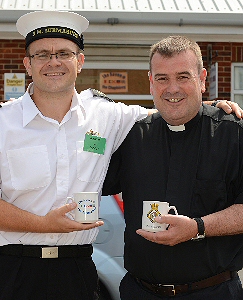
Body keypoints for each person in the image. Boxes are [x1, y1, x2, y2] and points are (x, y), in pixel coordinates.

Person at [0, 10, 154, 300]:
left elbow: (167, 115)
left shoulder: (106, 114)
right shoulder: (2, 123)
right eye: (42, 54)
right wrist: (44, 225)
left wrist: (213, 105)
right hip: (13, 271)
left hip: (77, 271)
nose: (53, 62)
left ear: (80, 62)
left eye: (64, 53)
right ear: (27, 65)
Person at [102, 35, 243, 299]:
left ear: (202, 79)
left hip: (213, 292)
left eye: (183, 77)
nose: (172, 88)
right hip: (140, 292)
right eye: (163, 78)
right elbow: (87, 170)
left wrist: (198, 227)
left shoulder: (232, 133)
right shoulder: (131, 136)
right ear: (151, 82)